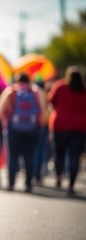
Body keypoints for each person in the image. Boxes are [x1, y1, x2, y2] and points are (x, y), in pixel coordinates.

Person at [0, 73, 46, 192]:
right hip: (32, 130)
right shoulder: (36, 92)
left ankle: (11, 183)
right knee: (29, 157)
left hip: (13, 129)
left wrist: (6, 121)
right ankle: (28, 183)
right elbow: (44, 112)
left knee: (12, 157)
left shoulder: (11, 91)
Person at [47, 66, 86, 196]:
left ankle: (58, 178)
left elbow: (51, 101)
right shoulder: (84, 90)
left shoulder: (60, 87)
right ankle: (71, 185)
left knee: (59, 154)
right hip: (80, 127)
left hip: (60, 126)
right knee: (74, 157)